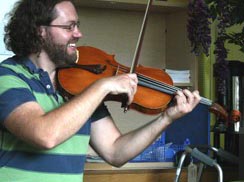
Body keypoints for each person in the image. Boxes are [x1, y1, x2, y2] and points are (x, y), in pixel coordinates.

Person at [0, 0, 201, 181]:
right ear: (40, 30)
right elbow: (44, 135)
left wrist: (166, 118)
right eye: (69, 26)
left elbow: (116, 152)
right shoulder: (9, 76)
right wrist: (102, 86)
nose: (78, 33)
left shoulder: (78, 89)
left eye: (77, 25)